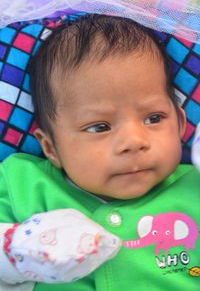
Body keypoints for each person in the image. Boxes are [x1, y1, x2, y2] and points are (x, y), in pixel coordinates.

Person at [0, 14, 199, 291]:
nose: (134, 141)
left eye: (153, 118)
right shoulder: (21, 183)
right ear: (50, 147)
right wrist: (16, 250)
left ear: (180, 123)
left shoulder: (194, 188)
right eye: (99, 127)